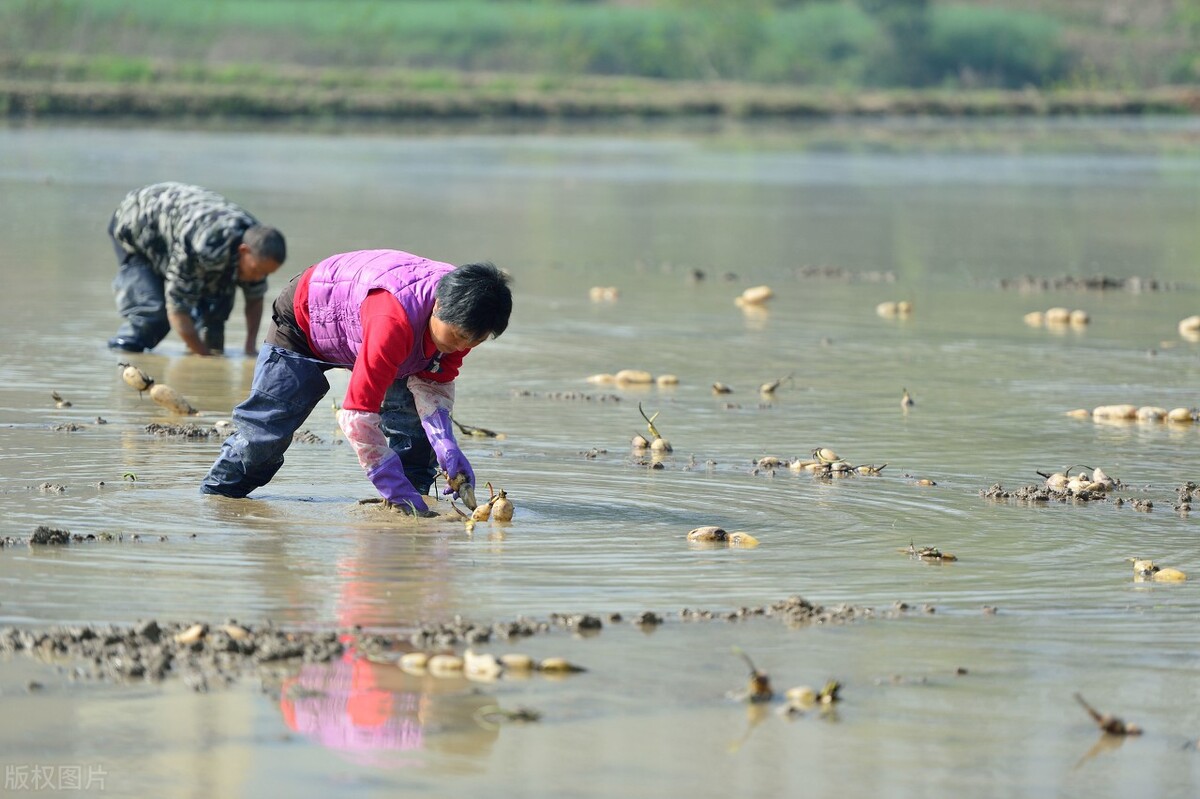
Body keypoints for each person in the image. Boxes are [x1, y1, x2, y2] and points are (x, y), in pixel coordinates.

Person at [200, 249, 513, 514]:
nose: (461, 348)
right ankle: (214, 501)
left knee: (415, 440)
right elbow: (357, 415)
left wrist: (446, 444)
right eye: (457, 336)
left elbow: (433, 383)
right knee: (265, 435)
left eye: (473, 341)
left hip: (381, 332)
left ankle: (412, 507)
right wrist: (386, 478)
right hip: (307, 321)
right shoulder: (393, 321)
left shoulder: (469, 315)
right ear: (439, 305)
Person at [107, 181, 287, 356]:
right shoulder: (203, 246)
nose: (258, 278)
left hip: (179, 228)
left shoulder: (257, 245)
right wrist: (204, 358)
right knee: (153, 316)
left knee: (212, 326)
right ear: (243, 250)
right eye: (257, 271)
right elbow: (177, 308)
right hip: (136, 225)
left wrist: (250, 347)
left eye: (266, 274)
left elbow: (255, 298)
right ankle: (124, 354)